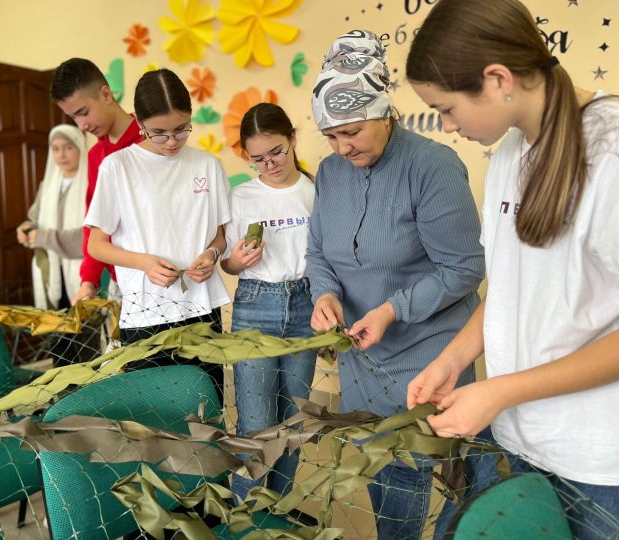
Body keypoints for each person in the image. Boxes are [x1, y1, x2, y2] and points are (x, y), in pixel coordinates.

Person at [405, 0, 619, 537]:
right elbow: (508, 288)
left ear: (498, 78)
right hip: (517, 438)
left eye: (446, 108)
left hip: (598, 461)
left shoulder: (609, 155)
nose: (447, 126)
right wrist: (452, 360)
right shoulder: (508, 155)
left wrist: (500, 391)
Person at [306, 30, 485, 539]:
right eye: (332, 137)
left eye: (354, 132)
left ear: (386, 111)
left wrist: (392, 309)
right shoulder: (330, 172)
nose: (343, 148)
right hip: (361, 360)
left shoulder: (432, 167)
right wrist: (325, 294)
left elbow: (464, 268)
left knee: (421, 483)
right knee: (378, 476)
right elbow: (318, 253)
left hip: (427, 358)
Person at [84, 68, 231, 399]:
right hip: (145, 314)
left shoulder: (207, 166)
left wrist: (211, 256)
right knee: (155, 419)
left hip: (201, 310)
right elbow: (96, 245)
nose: (171, 141)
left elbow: (221, 237)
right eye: (158, 133)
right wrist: (144, 263)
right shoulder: (117, 167)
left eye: (181, 129)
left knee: (207, 408)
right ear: (140, 125)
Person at [220, 103, 316, 501]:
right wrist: (235, 262)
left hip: (307, 305)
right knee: (258, 424)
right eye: (257, 158)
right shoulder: (240, 196)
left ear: (293, 139)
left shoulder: (315, 190)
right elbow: (225, 261)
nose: (269, 164)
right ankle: (247, 518)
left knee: (294, 422)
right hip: (256, 304)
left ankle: (276, 514)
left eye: (276, 151)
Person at [50, 58, 143, 305]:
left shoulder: (152, 140)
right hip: (120, 280)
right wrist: (88, 280)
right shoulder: (95, 157)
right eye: (73, 118)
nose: (82, 125)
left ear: (105, 94)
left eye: (83, 112)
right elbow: (94, 223)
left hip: (161, 273)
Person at [16, 124, 87, 310]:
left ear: (80, 147)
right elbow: (35, 220)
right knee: (57, 327)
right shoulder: (47, 186)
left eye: (68, 147)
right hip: (52, 267)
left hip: (83, 272)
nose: (62, 154)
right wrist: (26, 229)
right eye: (55, 149)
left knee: (85, 328)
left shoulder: (91, 183)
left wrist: (43, 237)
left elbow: (90, 235)